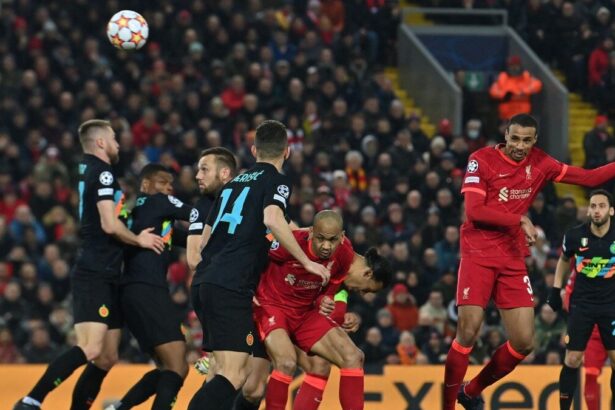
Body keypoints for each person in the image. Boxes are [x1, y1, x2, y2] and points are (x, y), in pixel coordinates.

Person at [443, 113, 615, 410]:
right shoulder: (480, 160)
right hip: (478, 253)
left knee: (524, 343)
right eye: (514, 139)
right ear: (505, 134)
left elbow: (590, 178)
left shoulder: (541, 163)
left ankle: (471, 391)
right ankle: (445, 406)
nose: (519, 146)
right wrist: (519, 219)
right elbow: (474, 211)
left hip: (511, 257)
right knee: (467, 332)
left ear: (535, 140)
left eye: (526, 140)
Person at [14, 120, 164, 410]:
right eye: (113, 138)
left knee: (107, 357)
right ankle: (31, 400)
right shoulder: (104, 172)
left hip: (107, 270)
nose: (118, 143)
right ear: (100, 143)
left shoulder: (87, 169)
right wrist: (138, 240)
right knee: (91, 347)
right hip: (96, 269)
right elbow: (109, 224)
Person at [188, 120, 329, 409]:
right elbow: (273, 219)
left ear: (254, 150)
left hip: (206, 282)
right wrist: (308, 262)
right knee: (234, 374)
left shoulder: (231, 186)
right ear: (287, 152)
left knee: (219, 370)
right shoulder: (277, 180)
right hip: (230, 285)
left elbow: (204, 242)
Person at [237, 246, 392, 410]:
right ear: (367, 273)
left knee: (339, 360)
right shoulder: (330, 249)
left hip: (300, 318)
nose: (363, 293)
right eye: (367, 289)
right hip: (269, 305)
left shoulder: (345, 278)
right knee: (253, 390)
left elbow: (334, 306)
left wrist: (345, 317)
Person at [106, 164, 194, 409]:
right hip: (148, 290)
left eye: (171, 183)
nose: (169, 187)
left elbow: (187, 238)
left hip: (132, 294)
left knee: (168, 367)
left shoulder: (143, 214)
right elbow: (198, 215)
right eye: (163, 182)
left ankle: (119, 408)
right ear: (146, 185)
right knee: (178, 366)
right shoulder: (157, 203)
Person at [546, 189, 615, 410]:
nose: (596, 211)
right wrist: (555, 290)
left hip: (611, 306)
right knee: (573, 360)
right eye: (593, 206)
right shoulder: (575, 234)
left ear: (611, 210)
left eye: (602, 206)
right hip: (582, 305)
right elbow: (564, 260)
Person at [489, 55, 542, 121]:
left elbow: (537, 84)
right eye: (511, 65)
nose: (514, 68)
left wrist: (524, 91)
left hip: (523, 115)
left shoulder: (526, 75)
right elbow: (493, 90)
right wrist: (504, 94)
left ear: (520, 65)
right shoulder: (502, 76)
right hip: (506, 116)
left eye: (516, 65)